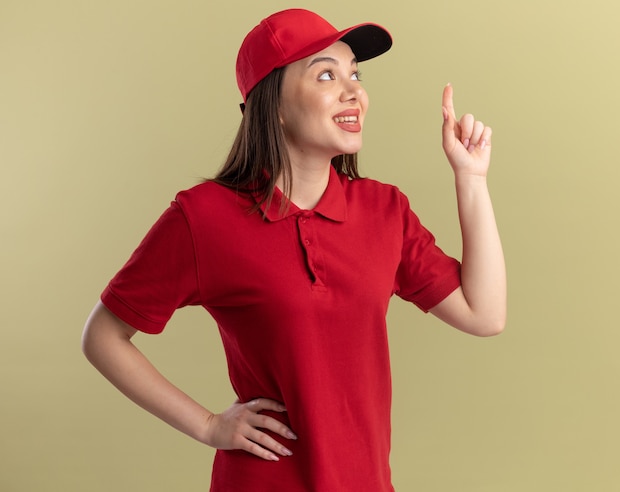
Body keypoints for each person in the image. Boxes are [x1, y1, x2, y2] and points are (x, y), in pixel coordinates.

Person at [81, 8, 506, 492]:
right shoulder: (204, 217)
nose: (354, 92)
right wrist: (207, 425)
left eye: (355, 74)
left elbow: (484, 314)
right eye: (326, 73)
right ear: (273, 103)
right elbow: (103, 337)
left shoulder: (385, 210)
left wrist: (470, 180)